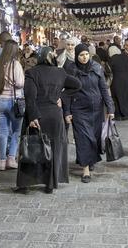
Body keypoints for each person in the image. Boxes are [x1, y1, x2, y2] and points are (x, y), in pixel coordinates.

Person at [15, 47, 81, 193]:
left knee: (32, 148)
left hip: (38, 115)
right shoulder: (60, 72)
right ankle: (50, 183)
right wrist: (61, 97)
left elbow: (30, 97)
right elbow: (77, 85)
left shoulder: (32, 73)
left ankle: (26, 183)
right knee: (54, 149)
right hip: (55, 116)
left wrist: (32, 116)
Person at [63, 44, 114, 183]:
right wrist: (67, 112)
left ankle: (89, 159)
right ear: (76, 56)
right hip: (78, 110)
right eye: (81, 55)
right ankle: (85, 170)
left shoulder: (97, 68)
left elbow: (104, 89)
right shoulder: (71, 69)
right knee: (83, 138)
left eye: (86, 54)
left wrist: (110, 108)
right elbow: (66, 94)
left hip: (96, 110)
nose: (84, 57)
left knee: (95, 138)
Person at [0, 39, 25, 171]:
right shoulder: (15, 64)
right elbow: (20, 83)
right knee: (16, 131)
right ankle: (11, 158)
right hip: (13, 102)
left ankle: (1, 161)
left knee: (3, 131)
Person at [108, 46, 128, 119]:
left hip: (117, 80)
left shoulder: (112, 59)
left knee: (118, 97)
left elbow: (109, 70)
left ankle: (120, 115)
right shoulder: (125, 57)